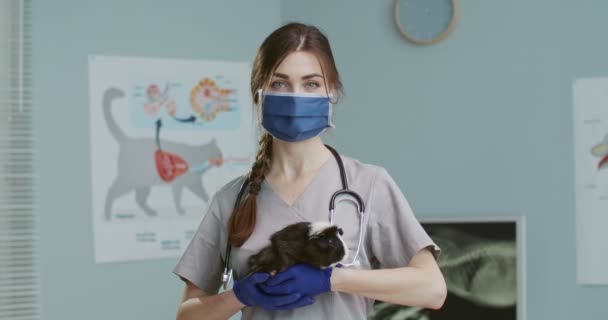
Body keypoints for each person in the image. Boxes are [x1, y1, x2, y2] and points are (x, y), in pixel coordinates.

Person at [173, 22, 447, 320]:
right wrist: (239, 295)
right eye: (280, 83)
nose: (295, 97)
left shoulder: (368, 185)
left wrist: (332, 280)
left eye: (311, 84)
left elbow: (431, 289)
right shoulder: (232, 199)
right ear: (259, 94)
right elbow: (187, 315)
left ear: (332, 92)